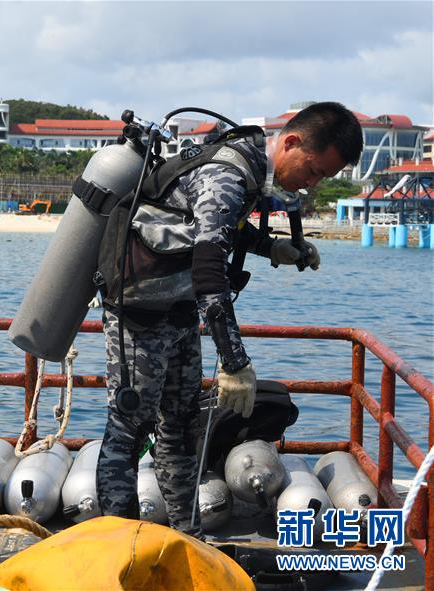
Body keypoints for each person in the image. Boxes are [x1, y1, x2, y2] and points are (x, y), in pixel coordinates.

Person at [96, 102, 363, 538]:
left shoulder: (250, 170)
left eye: (321, 179)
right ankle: (116, 541)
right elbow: (208, 269)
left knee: (181, 428)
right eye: (313, 171)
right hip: (138, 313)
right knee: (130, 429)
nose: (311, 183)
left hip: (178, 309)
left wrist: (272, 247)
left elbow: (216, 227)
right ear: (292, 142)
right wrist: (235, 362)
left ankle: (187, 534)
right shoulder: (228, 172)